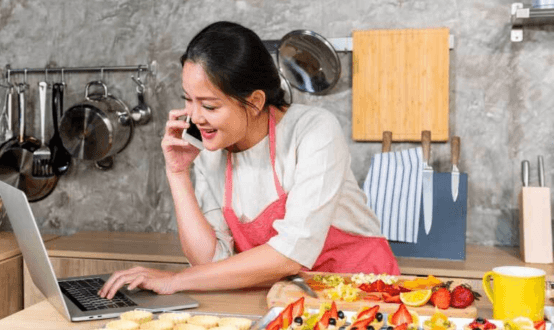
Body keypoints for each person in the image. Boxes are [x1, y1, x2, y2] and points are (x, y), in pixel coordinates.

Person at [99, 21, 399, 299]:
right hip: (286, 298)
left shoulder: (314, 130)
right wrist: (177, 173)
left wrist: (176, 280)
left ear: (255, 101)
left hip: (362, 293)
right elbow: (209, 260)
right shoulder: (211, 148)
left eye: (209, 105)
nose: (194, 116)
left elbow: (290, 253)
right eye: (188, 99)